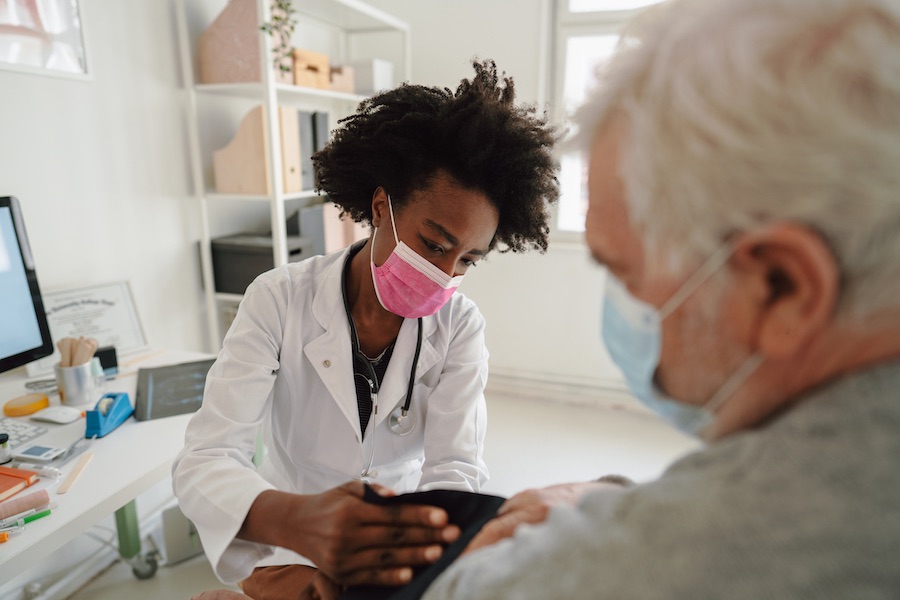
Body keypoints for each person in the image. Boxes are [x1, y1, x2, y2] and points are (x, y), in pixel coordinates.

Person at [417, 0, 900, 598]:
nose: (622, 309)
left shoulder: (636, 566)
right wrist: (618, 498)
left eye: (624, 272)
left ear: (782, 289)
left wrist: (578, 542)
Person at [174, 59, 559, 600]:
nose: (444, 275)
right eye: (434, 244)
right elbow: (207, 457)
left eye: (468, 260)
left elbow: (454, 467)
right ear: (381, 207)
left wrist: (429, 550)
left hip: (396, 544)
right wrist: (295, 521)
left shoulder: (460, 326)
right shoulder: (278, 298)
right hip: (286, 540)